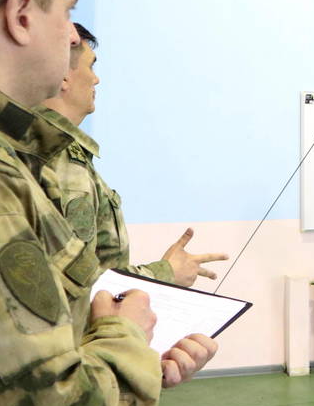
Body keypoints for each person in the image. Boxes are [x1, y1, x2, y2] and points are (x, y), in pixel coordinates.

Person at [0, 0, 214, 406]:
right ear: (21, 16)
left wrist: (132, 357)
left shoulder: (14, 154)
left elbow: (70, 311)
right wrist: (128, 340)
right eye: (66, 12)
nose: (71, 36)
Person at [38, 22, 228, 295]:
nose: (96, 79)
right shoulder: (61, 160)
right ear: (63, 76)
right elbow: (79, 285)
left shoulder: (59, 151)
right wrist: (166, 272)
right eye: (91, 66)